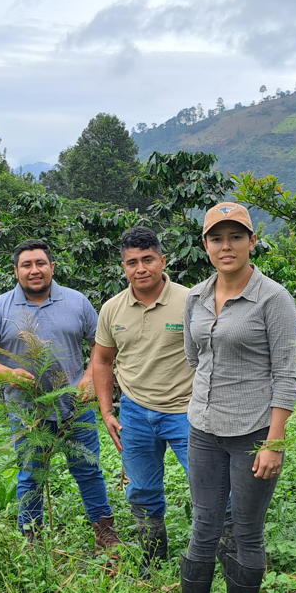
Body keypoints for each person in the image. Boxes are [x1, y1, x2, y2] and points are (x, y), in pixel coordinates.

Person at [179, 202, 296, 593]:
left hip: (252, 434)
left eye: (235, 237)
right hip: (204, 428)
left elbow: (285, 374)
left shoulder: (273, 298)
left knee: (246, 530)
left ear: (252, 241)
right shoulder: (195, 297)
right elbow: (195, 356)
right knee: (204, 524)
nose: (225, 246)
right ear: (206, 245)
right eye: (216, 238)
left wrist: (274, 442)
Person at [0, 239, 121, 551]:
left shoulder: (77, 302)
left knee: (89, 470)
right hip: (28, 413)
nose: (34, 270)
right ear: (16, 271)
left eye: (40, 263)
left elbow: (101, 344)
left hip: (75, 407)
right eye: (26, 265)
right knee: (30, 476)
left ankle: (105, 534)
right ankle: (32, 538)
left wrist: (90, 377)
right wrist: (8, 374)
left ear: (52, 267)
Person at [92, 226, 194, 574]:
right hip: (134, 413)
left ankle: (220, 559)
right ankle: (154, 561)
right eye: (132, 262)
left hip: (186, 411)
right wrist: (107, 411)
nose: (141, 269)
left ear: (163, 261)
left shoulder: (190, 301)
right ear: (123, 267)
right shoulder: (112, 309)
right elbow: (102, 360)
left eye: (148, 259)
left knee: (208, 486)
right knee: (143, 491)